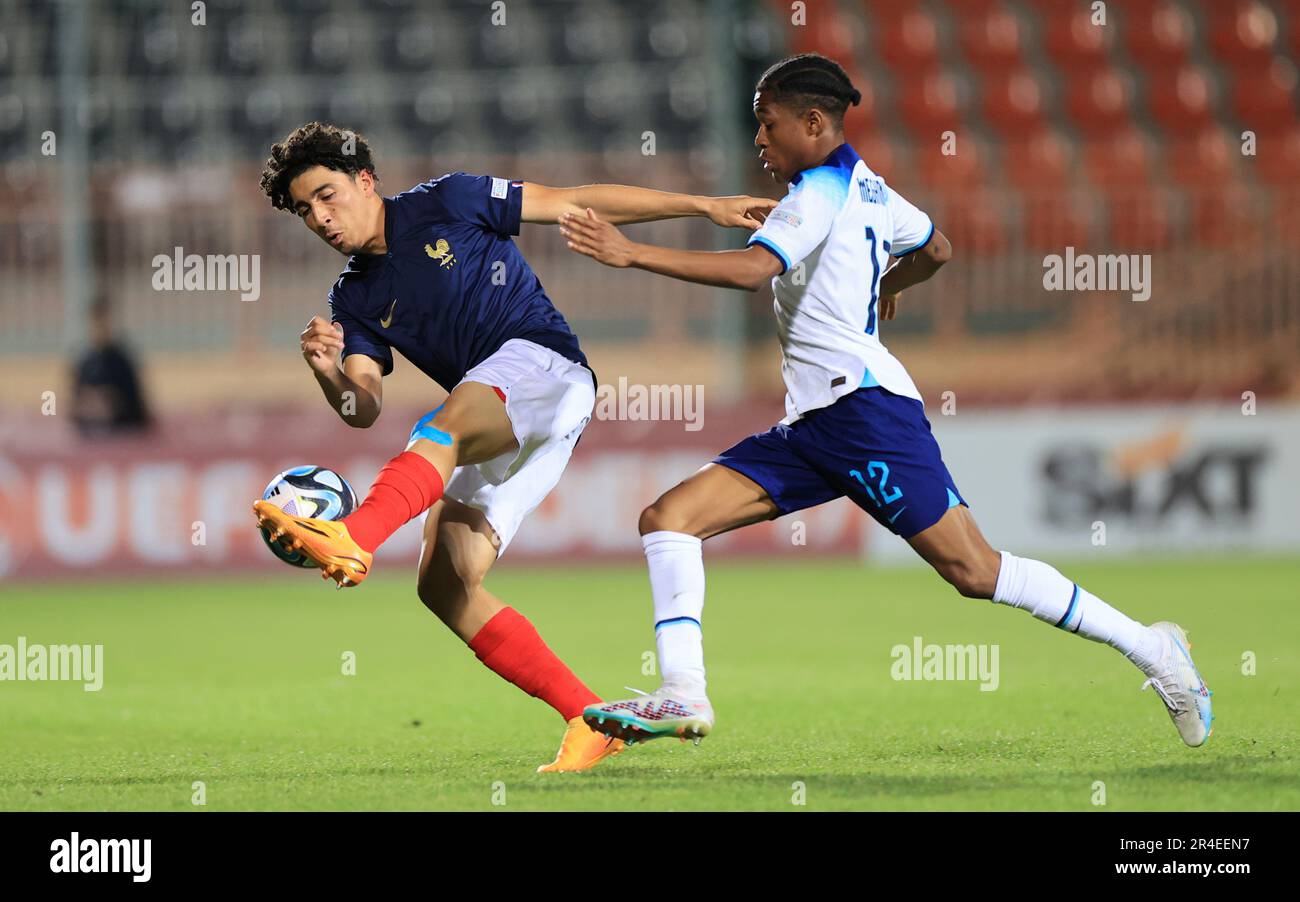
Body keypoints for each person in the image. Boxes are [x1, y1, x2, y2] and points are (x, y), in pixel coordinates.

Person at [561, 54, 1213, 749]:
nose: (759, 140)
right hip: (816, 423)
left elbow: (753, 271)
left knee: (975, 571)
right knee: (669, 519)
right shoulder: (870, 189)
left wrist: (631, 254)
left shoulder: (817, 195)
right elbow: (938, 248)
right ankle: (682, 695)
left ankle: (1154, 649)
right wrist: (883, 284)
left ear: (813, 123)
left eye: (768, 123)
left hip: (865, 413)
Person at [251, 122, 775, 771]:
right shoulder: (352, 296)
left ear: (365, 180)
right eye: (305, 211)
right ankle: (589, 720)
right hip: (502, 415)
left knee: (445, 424)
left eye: (327, 196)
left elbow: (574, 201)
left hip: (542, 367)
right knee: (444, 583)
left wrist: (704, 206)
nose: (320, 218)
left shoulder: (450, 200)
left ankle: (354, 535)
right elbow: (363, 408)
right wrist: (328, 372)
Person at [70, 293, 152, 438]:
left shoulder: (123, 361)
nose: (101, 327)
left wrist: (114, 403)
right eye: (96, 321)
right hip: (92, 441)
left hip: (122, 438)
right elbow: (74, 410)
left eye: (105, 321)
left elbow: (139, 412)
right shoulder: (84, 363)